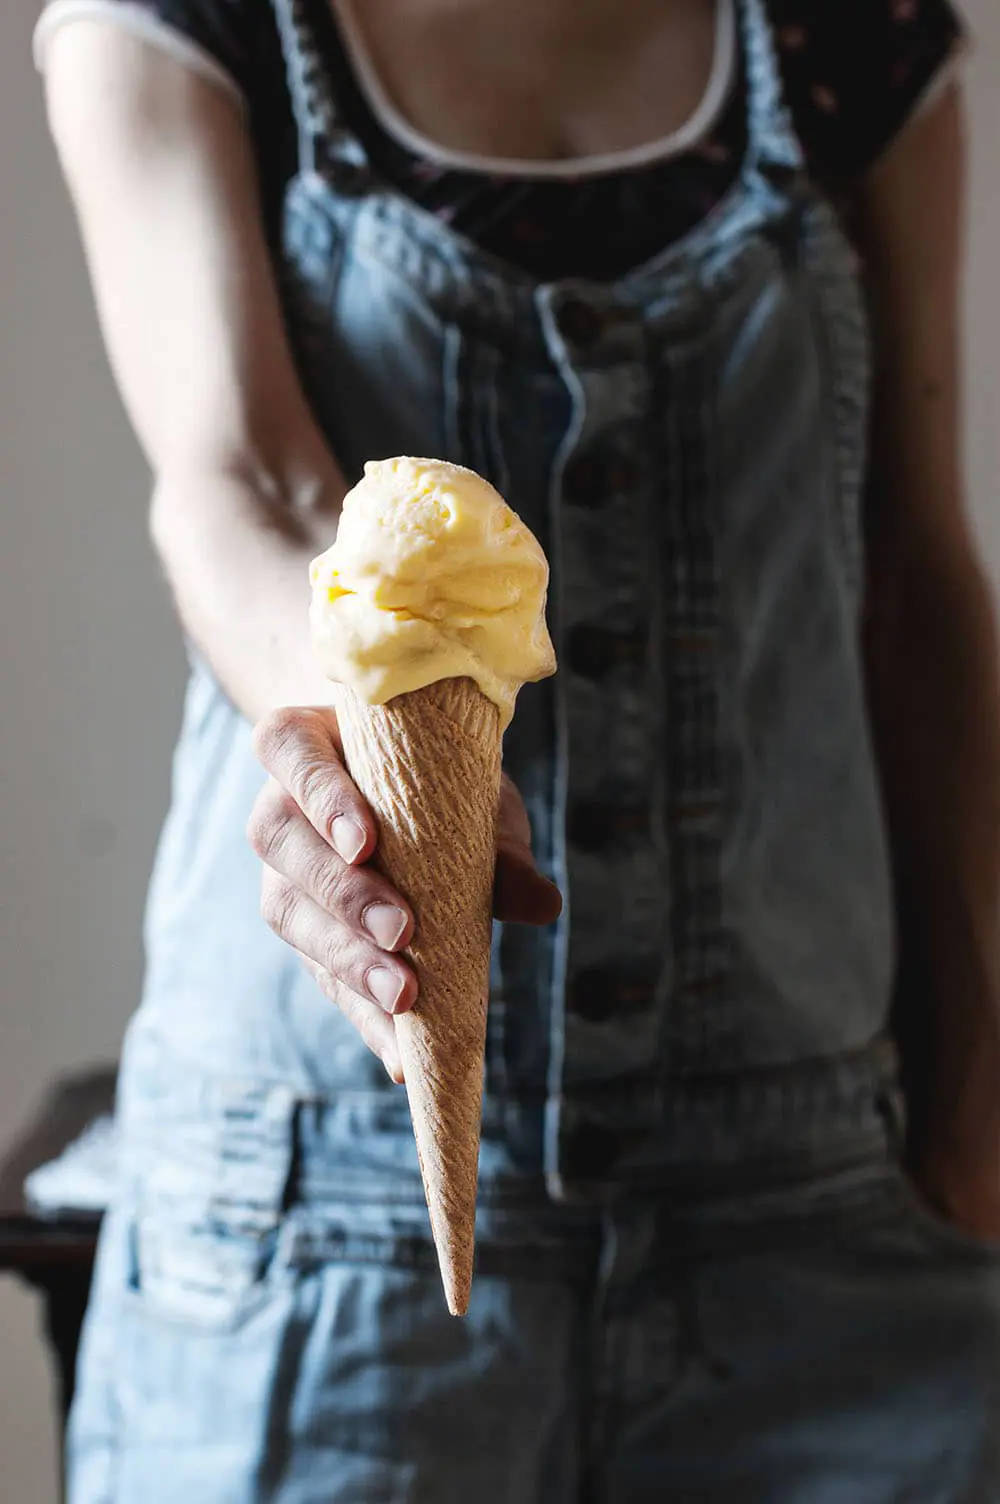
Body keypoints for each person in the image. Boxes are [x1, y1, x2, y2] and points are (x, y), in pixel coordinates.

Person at [34, 0, 1000, 1498]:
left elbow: (913, 565)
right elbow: (244, 484)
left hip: (818, 1212)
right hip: (321, 1232)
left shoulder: (853, 40)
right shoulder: (181, 25)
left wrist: (983, 1059)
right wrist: (347, 750)